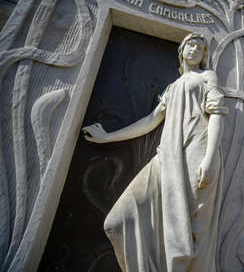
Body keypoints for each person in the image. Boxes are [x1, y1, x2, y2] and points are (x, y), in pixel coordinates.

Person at [82, 33, 228, 272]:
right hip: (166, 157)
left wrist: (210, 158)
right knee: (117, 221)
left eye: (200, 47)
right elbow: (150, 121)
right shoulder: (172, 87)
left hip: (196, 154)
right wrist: (107, 137)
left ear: (204, 56)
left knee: (187, 236)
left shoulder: (207, 77)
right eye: (190, 44)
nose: (194, 49)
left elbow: (217, 115)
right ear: (181, 51)